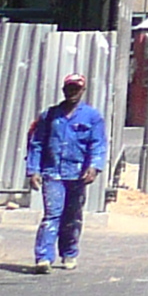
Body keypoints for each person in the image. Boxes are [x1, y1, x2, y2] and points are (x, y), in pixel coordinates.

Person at [25, 73, 109, 272]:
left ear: (83, 91)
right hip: (52, 173)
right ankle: (43, 258)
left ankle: (69, 253)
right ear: (64, 90)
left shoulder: (92, 116)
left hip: (77, 174)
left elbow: (98, 144)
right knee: (52, 214)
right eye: (69, 88)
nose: (73, 92)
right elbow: (36, 143)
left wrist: (94, 167)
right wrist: (33, 170)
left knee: (72, 216)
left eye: (77, 89)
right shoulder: (50, 115)